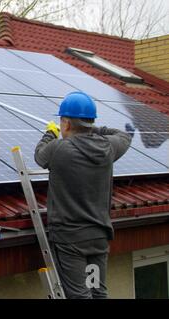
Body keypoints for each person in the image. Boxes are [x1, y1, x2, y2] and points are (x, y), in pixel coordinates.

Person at [34, 91, 132, 299]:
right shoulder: (108, 148)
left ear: (66, 124)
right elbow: (123, 136)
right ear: (90, 122)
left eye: (62, 123)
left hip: (70, 239)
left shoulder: (59, 149)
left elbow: (39, 155)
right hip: (99, 237)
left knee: (79, 295)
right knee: (98, 292)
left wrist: (49, 133)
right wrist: (92, 129)